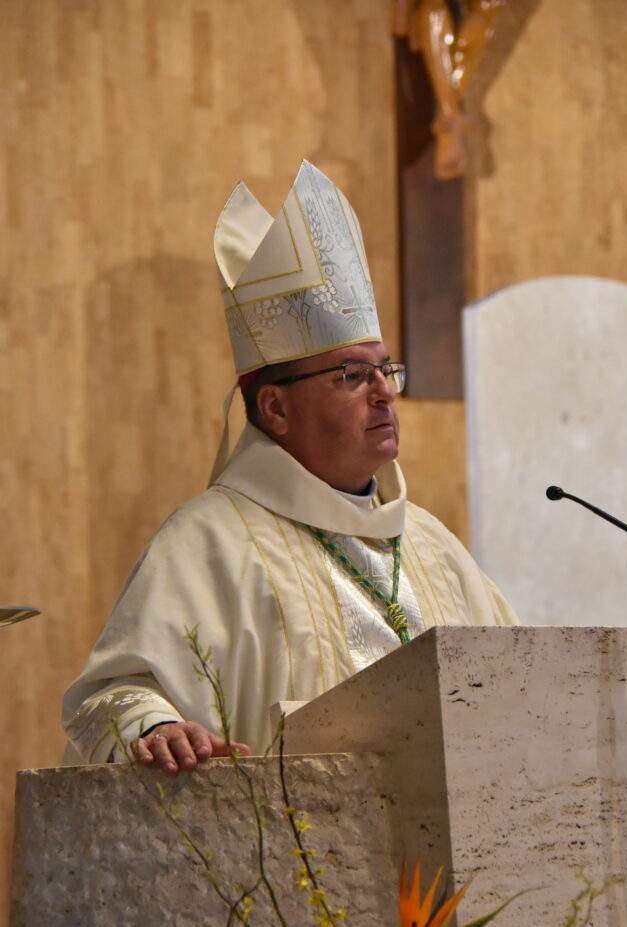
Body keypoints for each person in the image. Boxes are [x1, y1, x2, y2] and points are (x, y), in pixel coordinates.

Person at [62, 160, 517, 775]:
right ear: (274, 407)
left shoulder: (434, 547)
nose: (384, 392)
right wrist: (158, 726)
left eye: (387, 370)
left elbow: (520, 685)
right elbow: (110, 697)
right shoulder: (209, 543)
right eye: (352, 375)